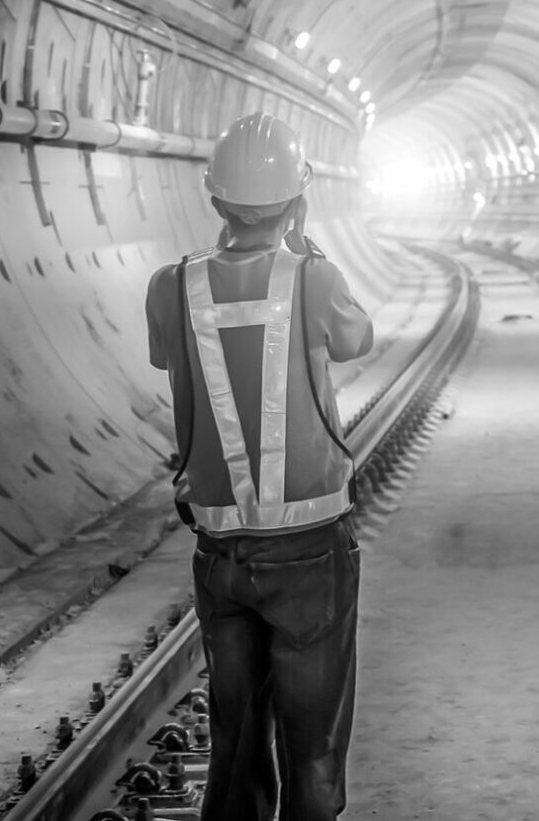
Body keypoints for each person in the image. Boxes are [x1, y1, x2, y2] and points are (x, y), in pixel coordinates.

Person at [146, 112, 374, 821]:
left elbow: (167, 355)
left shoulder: (170, 285)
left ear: (215, 200)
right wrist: (304, 251)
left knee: (236, 740)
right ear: (298, 198)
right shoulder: (313, 277)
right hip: (309, 547)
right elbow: (356, 337)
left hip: (221, 550)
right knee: (312, 747)